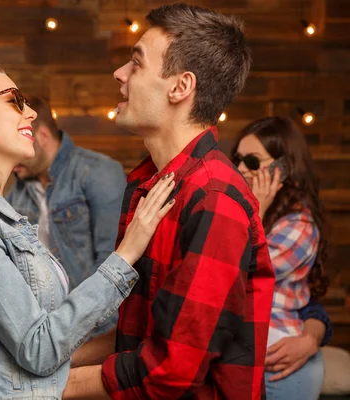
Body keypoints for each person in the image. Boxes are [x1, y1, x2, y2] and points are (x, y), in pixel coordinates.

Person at [0, 56, 176, 399]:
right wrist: (127, 255)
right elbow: (38, 348)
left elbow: (38, 346)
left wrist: (132, 337)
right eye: (14, 100)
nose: (30, 112)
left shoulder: (0, 215)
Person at [64, 4, 275, 399]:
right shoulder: (153, 183)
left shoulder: (215, 200)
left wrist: (44, 387)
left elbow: (171, 367)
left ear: (180, 87)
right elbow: (140, 333)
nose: (120, 75)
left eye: (136, 63)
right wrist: (54, 356)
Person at [6, 95, 127, 333]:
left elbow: (114, 263)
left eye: (18, 140)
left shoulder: (97, 172)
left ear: (41, 136)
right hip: (37, 322)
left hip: (91, 323)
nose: (12, 156)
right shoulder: (17, 190)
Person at [231, 116, 330, 399]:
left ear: (283, 168)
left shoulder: (299, 226)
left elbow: (239, 271)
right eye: (237, 158)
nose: (239, 169)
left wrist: (256, 209)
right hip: (251, 357)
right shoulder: (246, 209)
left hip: (281, 363)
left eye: (252, 162)